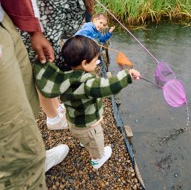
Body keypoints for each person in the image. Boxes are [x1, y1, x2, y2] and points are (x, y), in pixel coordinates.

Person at [20, 0, 125, 130]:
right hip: (13, 29)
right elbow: (47, 49)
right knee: (38, 70)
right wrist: (80, 67)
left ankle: (54, 111)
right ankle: (52, 119)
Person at [0, 0, 69, 189]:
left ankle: (35, 155)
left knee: (27, 104)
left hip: (3, 21)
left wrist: (33, 29)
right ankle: (27, 167)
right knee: (15, 143)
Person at [34, 36, 141, 169]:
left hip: (73, 122)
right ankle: (97, 159)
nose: (97, 63)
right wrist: (127, 75)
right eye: (96, 61)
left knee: (84, 137)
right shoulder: (88, 84)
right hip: (89, 127)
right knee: (97, 143)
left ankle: (84, 142)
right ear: (85, 63)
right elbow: (108, 85)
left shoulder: (66, 76)